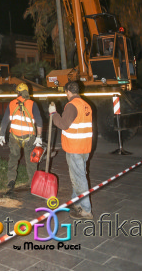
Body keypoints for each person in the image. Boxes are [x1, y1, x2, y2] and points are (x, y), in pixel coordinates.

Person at [49, 80, 93, 219]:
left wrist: (53, 114)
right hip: (84, 147)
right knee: (79, 174)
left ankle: (85, 210)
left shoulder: (72, 106)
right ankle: (75, 201)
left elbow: (63, 124)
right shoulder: (86, 105)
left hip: (75, 147)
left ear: (68, 91)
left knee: (79, 177)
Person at [0, 82, 43, 196]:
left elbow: (5, 120)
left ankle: (11, 181)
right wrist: (38, 137)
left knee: (13, 159)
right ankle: (32, 183)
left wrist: (1, 134)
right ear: (27, 91)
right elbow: (39, 122)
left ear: (17, 92)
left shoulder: (12, 103)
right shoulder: (33, 104)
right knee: (31, 161)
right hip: (29, 138)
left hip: (14, 138)